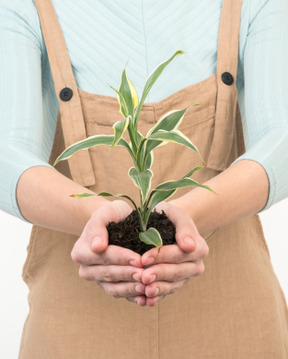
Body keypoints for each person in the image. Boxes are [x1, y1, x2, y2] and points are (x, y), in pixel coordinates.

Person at [1, 0, 288, 358]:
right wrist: (97, 224)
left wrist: (181, 223)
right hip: (75, 323)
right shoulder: (26, 5)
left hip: (236, 319)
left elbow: (281, 139)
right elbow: (6, 152)